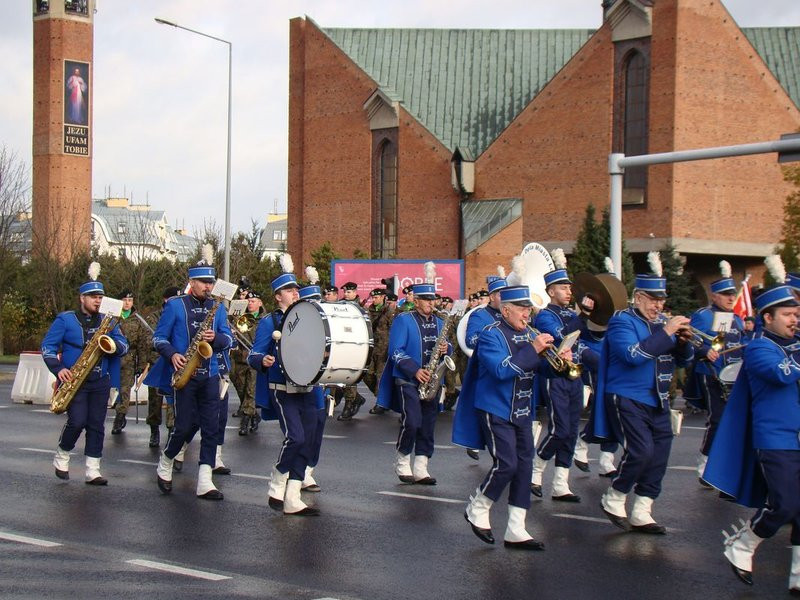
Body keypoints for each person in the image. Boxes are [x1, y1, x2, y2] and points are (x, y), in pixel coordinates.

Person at [703, 285, 800, 593]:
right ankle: (745, 543)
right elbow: (782, 373)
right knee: (783, 505)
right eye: (787, 315)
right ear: (767, 317)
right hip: (775, 439)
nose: (794, 320)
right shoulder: (759, 348)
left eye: (797, 314)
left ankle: (798, 576)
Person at [593, 267, 693, 534]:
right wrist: (667, 332)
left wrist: (683, 344)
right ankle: (615, 495)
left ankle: (642, 509)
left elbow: (683, 361)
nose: (658, 305)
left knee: (660, 454)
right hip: (627, 395)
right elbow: (632, 355)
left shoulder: (662, 325)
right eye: (652, 299)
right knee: (641, 451)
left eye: (661, 300)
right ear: (638, 298)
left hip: (657, 398)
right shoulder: (621, 321)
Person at [455, 285, 552, 550]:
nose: (527, 314)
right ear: (506, 310)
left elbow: (541, 369)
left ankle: (516, 528)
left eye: (529, 309)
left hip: (522, 410)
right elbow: (501, 370)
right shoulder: (491, 335)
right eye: (522, 309)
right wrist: (533, 349)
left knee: (524, 466)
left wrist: (560, 362)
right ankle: (479, 505)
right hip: (496, 408)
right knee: (507, 464)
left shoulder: (529, 333)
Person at [146, 257, 233, 500]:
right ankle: (166, 460)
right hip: (184, 373)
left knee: (211, 427)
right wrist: (172, 354)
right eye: (204, 282)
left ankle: (205, 481)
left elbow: (229, 340)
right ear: (191, 282)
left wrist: (215, 338)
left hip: (210, 374)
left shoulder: (218, 308)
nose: (208, 286)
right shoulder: (175, 306)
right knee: (183, 427)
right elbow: (158, 339)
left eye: (210, 282)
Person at [44, 264, 129, 484]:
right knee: (78, 421)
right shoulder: (65, 319)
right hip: (74, 379)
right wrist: (59, 369)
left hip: (100, 379)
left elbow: (123, 345)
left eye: (100, 297)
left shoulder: (107, 321)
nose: (98, 301)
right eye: (93, 297)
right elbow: (48, 347)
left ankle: (93, 469)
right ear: (82, 298)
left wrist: (113, 344)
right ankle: (62, 455)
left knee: (96, 425)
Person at [248, 266, 320, 516]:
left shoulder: (310, 317)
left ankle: (293, 497)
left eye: (297, 289)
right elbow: (254, 354)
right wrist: (263, 361)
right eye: (290, 290)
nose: (296, 293)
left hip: (308, 388)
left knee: (308, 442)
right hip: (282, 389)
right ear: (278, 296)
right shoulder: (270, 321)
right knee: (296, 438)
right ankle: (278, 480)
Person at [376, 282, 452, 484]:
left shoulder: (439, 322)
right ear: (416, 301)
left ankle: (421, 467)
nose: (431, 303)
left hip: (433, 380)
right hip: (408, 379)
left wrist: (447, 348)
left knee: (428, 424)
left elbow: (447, 346)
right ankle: (402, 460)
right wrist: (415, 370)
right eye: (426, 300)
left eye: (432, 299)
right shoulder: (403, 319)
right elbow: (395, 351)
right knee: (412, 421)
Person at [530, 267, 584, 502]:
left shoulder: (573, 315)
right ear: (551, 292)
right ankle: (536, 469)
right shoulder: (545, 315)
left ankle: (561, 484)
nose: (569, 291)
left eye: (569, 287)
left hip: (574, 376)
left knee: (572, 431)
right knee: (559, 429)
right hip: (555, 376)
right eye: (563, 288)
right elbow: (561, 337)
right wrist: (584, 316)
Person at [689, 265, 745, 487]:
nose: (731, 298)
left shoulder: (738, 320)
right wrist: (704, 350)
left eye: (732, 294)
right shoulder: (703, 316)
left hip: (735, 376)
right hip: (711, 374)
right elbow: (690, 339)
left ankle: (727, 467)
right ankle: (704, 463)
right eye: (726, 295)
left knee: (735, 422)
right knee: (718, 419)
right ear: (714, 296)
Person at [110, 290, 161, 447]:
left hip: (129, 358)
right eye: (124, 300)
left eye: (130, 300)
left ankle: (120, 416)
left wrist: (141, 365)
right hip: (111, 357)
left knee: (125, 389)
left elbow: (142, 344)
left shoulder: (138, 320)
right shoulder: (111, 317)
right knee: (111, 389)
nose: (127, 303)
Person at [297, 283, 328, 493]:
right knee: (300, 432)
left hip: (319, 384)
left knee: (318, 425)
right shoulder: (296, 323)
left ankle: (308, 469)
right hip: (298, 384)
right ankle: (295, 472)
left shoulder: (325, 325)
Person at [230, 290, 266, 435]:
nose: (250, 304)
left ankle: (244, 421)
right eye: (249, 301)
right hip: (240, 358)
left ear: (260, 303)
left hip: (255, 360)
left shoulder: (264, 319)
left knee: (251, 390)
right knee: (241, 388)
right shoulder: (242, 318)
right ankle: (254, 415)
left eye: (253, 301)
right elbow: (236, 335)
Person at [338, 281, 367, 421]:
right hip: (340, 343)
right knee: (338, 374)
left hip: (355, 344)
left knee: (349, 375)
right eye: (345, 292)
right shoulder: (340, 305)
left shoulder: (361, 308)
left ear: (355, 292)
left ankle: (350, 403)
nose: (346, 294)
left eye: (349, 292)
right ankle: (356, 398)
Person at [365, 288, 393, 415]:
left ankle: (381, 403)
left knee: (380, 376)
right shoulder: (368, 311)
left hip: (384, 349)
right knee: (367, 374)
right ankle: (382, 397)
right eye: (373, 298)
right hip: (371, 348)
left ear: (382, 297)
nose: (374, 300)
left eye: (376, 298)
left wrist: (392, 348)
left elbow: (394, 330)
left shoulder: (389, 311)